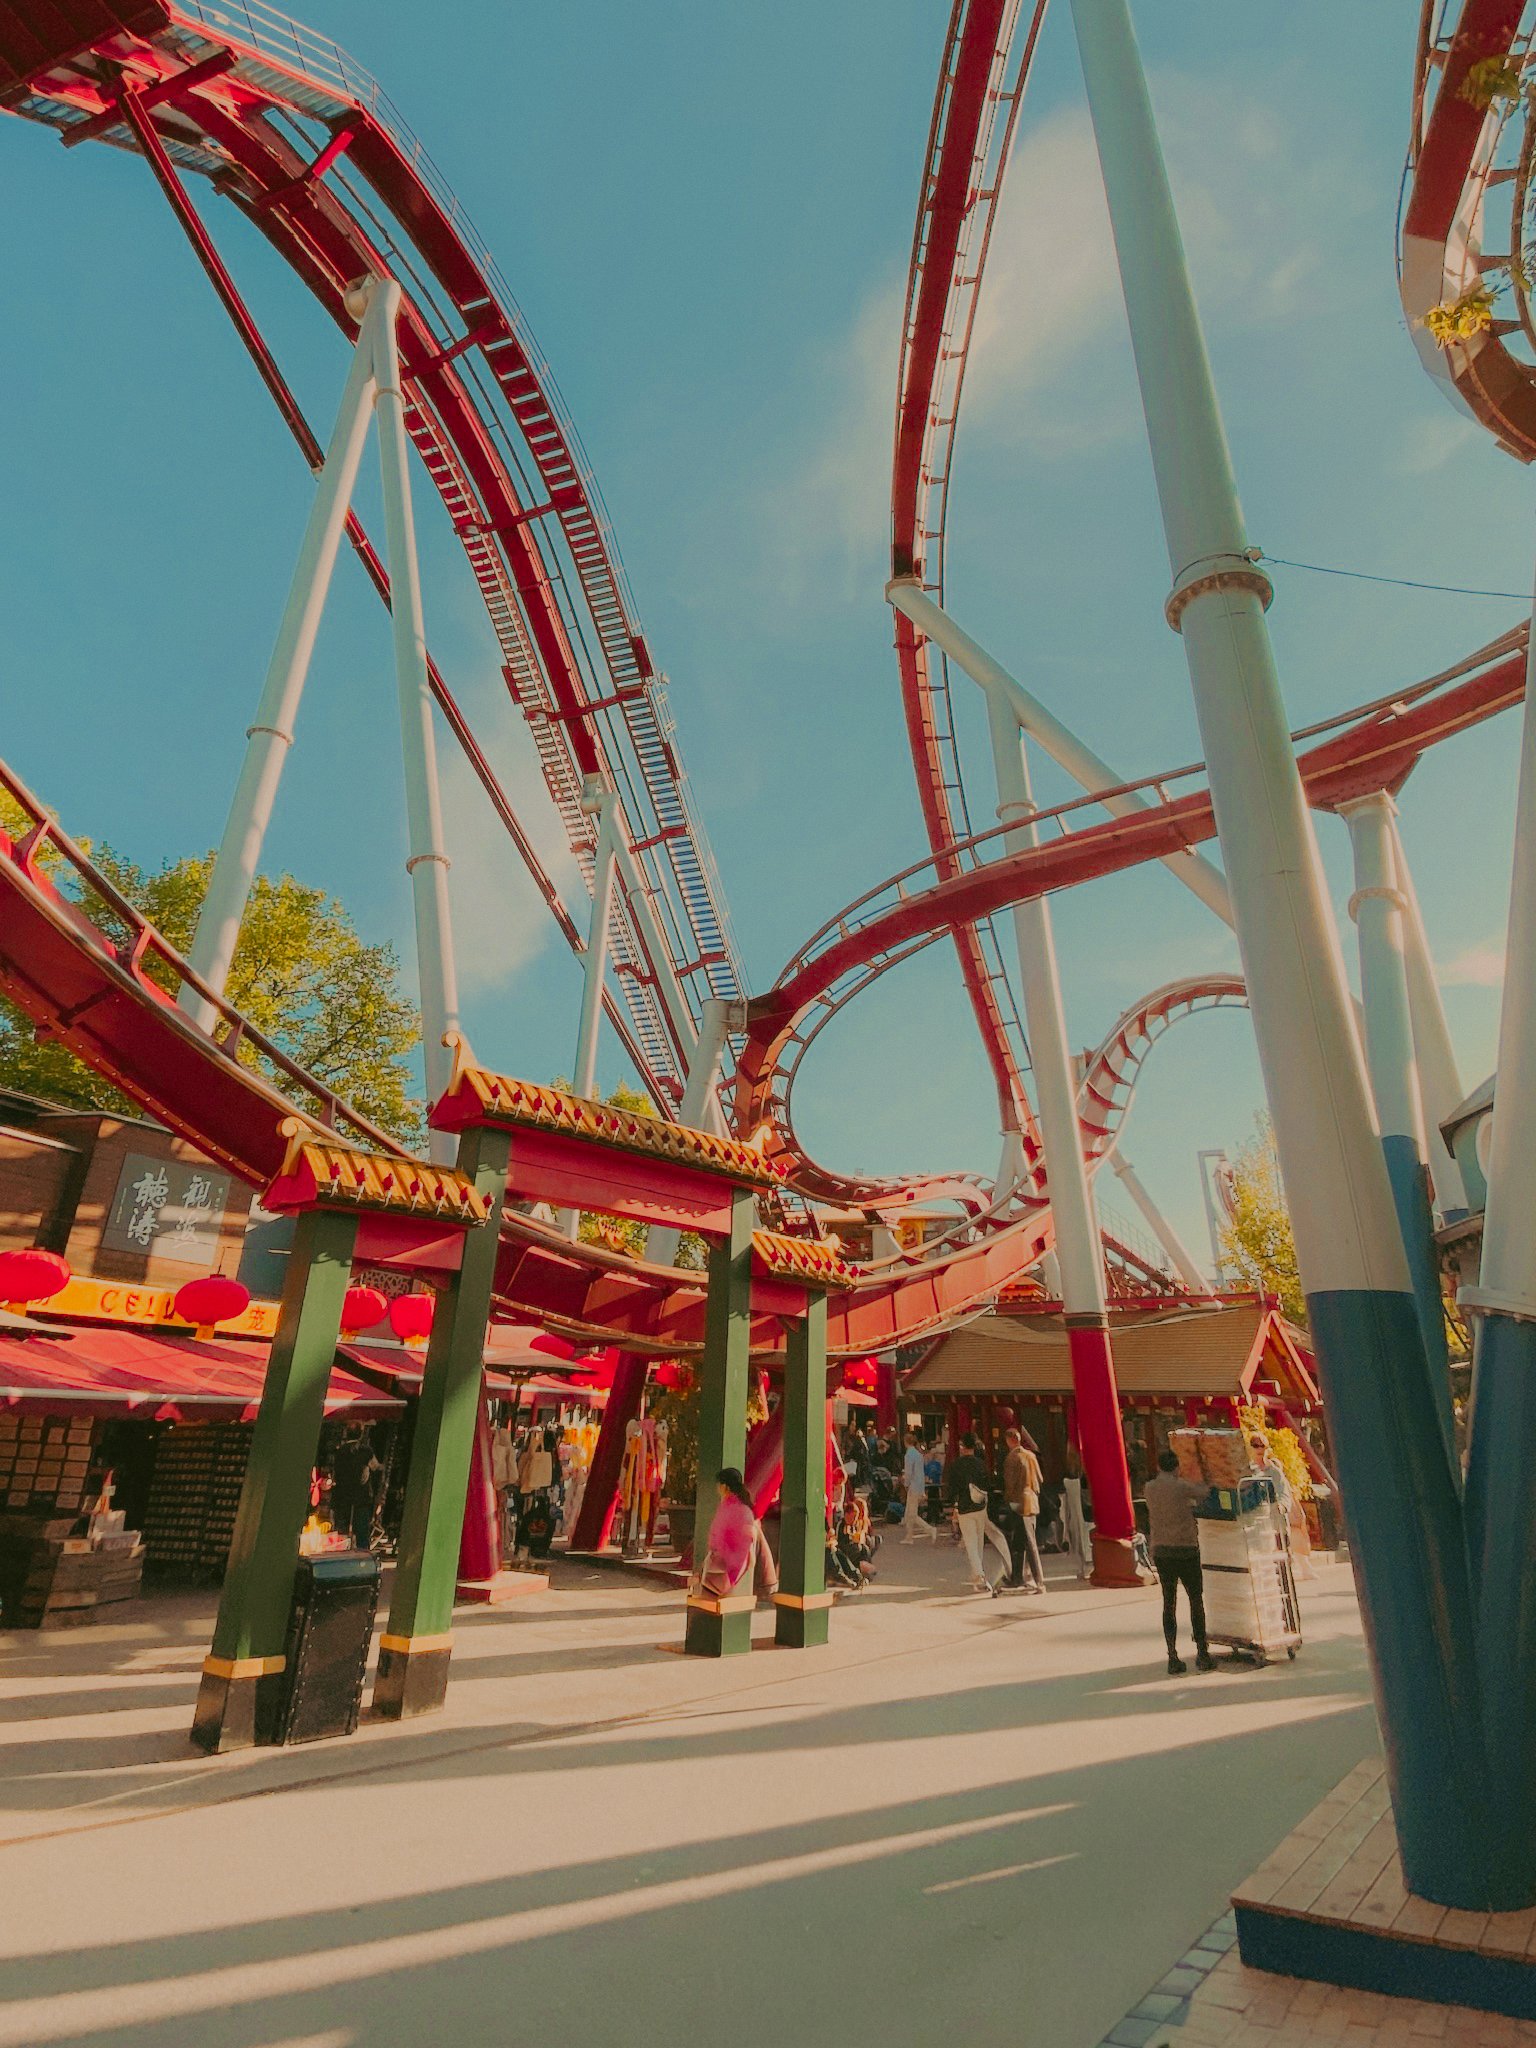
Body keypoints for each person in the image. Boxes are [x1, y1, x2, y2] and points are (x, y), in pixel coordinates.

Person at [1144, 1449, 1216, 1674]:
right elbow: (1205, 1492)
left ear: (1158, 1467)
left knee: (1169, 1603)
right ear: (1176, 1467)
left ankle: (1172, 1656)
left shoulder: (1149, 1488)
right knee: (1196, 1600)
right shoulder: (1182, 1486)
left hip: (1162, 1551)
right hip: (1186, 1550)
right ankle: (1202, 1654)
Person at [691, 1467, 777, 1601]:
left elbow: (738, 1549)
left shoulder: (735, 1510)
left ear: (724, 1486)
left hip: (727, 1572)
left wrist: (728, 1576)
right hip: (725, 1568)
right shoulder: (738, 1508)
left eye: (719, 1485)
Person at [944, 1431, 1012, 1593]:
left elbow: (951, 1489)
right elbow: (987, 1484)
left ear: (962, 1446)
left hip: (965, 1506)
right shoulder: (981, 1464)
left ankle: (979, 1575)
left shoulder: (956, 1465)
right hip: (980, 1506)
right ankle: (979, 1573)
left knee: (971, 1542)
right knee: (979, 1541)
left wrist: (953, 1504)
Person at [1000, 1427, 1046, 1592]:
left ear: (1009, 1440)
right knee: (1019, 1542)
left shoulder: (1012, 1458)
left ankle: (1038, 1580)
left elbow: (1010, 1484)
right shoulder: (1031, 1456)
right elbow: (1040, 1478)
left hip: (1019, 1502)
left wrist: (1007, 1500)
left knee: (1028, 1542)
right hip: (1032, 1500)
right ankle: (1017, 1577)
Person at [901, 1431, 936, 1544]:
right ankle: (909, 1536)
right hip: (919, 1485)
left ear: (905, 1442)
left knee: (912, 1514)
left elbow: (909, 1472)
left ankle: (930, 1530)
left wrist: (906, 1484)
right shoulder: (918, 1454)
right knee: (911, 1512)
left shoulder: (909, 1455)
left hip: (913, 1486)